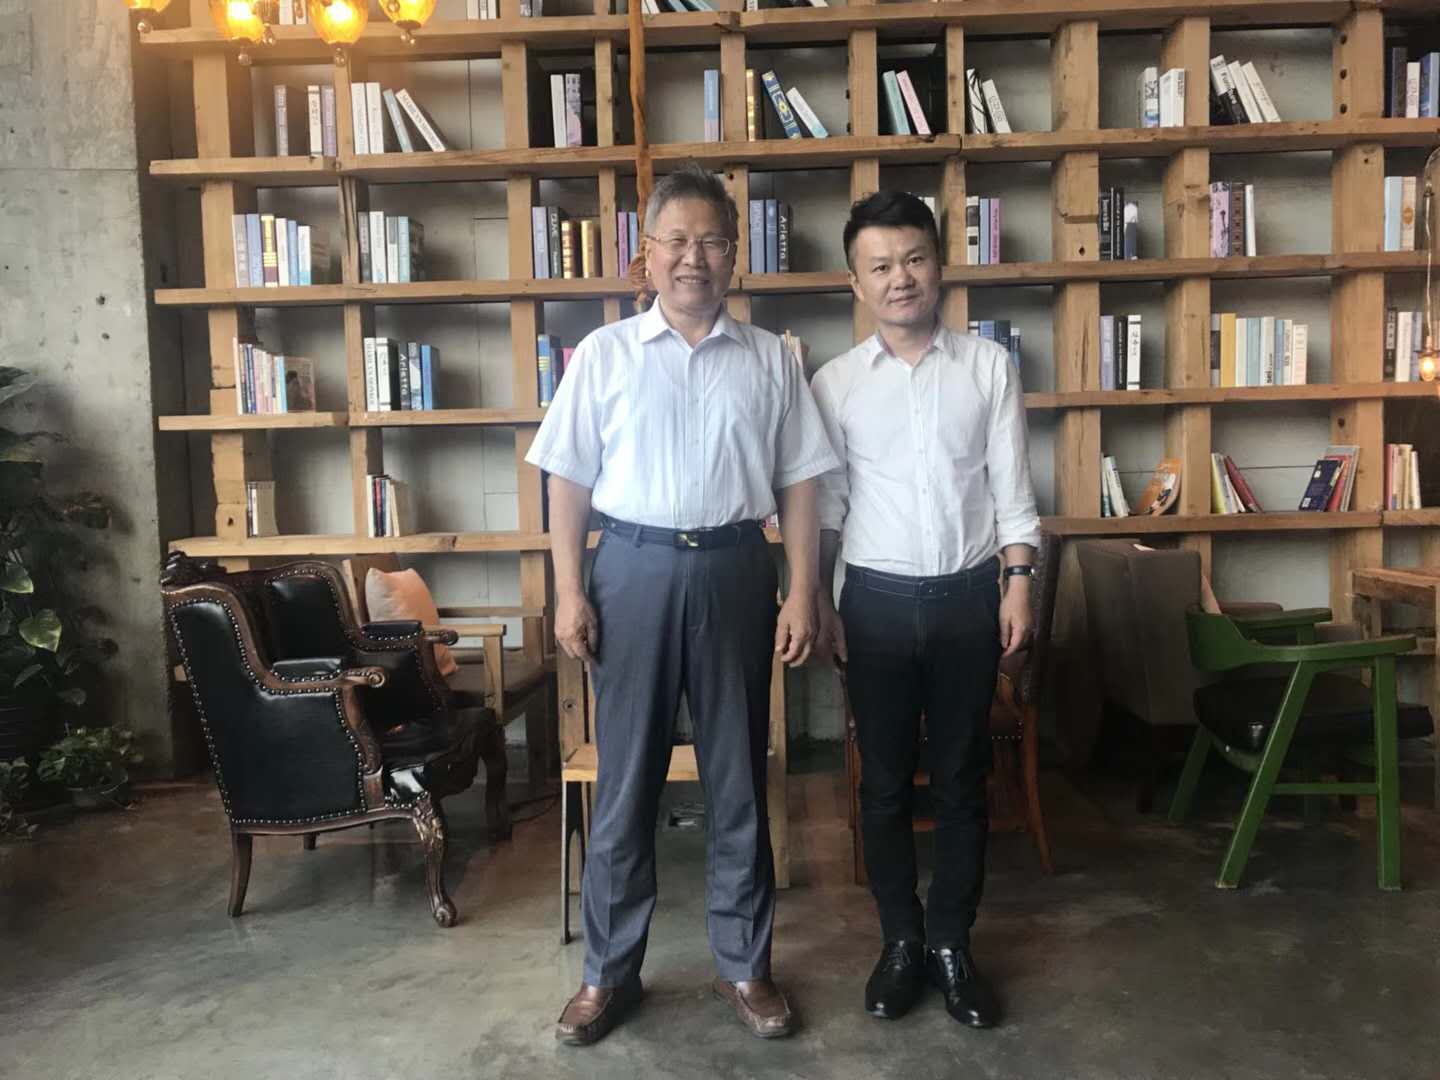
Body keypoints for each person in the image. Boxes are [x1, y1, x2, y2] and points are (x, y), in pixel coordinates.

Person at [526, 163, 839, 1046]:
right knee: (626, 782)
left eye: (711, 241)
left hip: (738, 568)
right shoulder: (605, 355)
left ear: (735, 255)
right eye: (676, 240)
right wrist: (569, 590)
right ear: (647, 252)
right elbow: (566, 479)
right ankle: (606, 973)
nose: (693, 257)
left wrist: (802, 590)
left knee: (738, 776)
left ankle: (746, 965)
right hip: (631, 570)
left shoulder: (772, 359)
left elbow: (802, 483)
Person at [810, 190, 1041, 1030]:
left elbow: (1013, 492)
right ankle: (900, 941)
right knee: (880, 785)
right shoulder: (835, 384)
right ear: (856, 282)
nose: (899, 278)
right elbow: (827, 507)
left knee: (961, 780)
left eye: (913, 259)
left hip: (967, 598)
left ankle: (952, 943)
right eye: (880, 266)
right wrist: (820, 598)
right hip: (872, 602)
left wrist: (1020, 583)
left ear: (939, 265)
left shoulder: (988, 367)